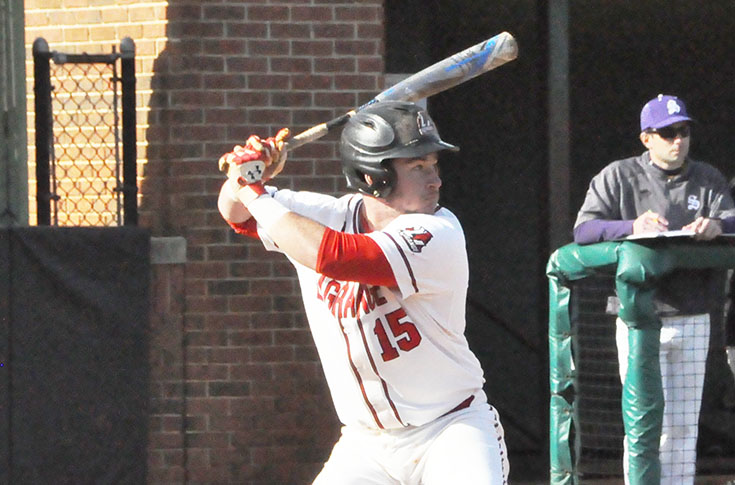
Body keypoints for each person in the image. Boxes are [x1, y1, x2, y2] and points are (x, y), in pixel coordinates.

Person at [217, 101, 510, 484]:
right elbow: (233, 212)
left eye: (433, 164)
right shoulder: (328, 214)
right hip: (367, 445)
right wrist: (247, 173)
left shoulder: (439, 232)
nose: (435, 179)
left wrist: (254, 191)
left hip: (450, 428)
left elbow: (333, 256)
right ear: (372, 176)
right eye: (417, 167)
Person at [574, 94, 735, 484]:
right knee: (645, 425)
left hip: (694, 314)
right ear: (647, 138)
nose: (677, 140)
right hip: (638, 317)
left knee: (683, 428)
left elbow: (731, 220)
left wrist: (718, 227)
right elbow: (583, 231)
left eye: (683, 131)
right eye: (666, 133)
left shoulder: (707, 178)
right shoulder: (618, 175)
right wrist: (631, 227)